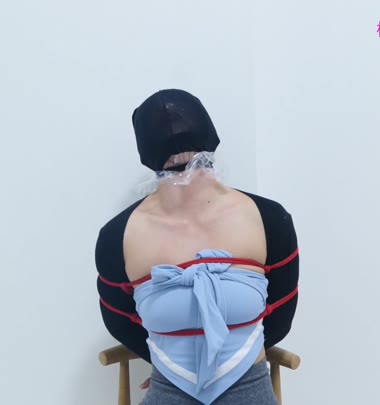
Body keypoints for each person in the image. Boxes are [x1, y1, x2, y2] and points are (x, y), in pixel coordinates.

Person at [95, 89, 299, 404]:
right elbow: (119, 320)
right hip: (169, 390)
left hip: (249, 388)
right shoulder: (117, 236)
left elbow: (280, 311)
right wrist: (171, 364)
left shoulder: (269, 219)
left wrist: (226, 364)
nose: (177, 142)